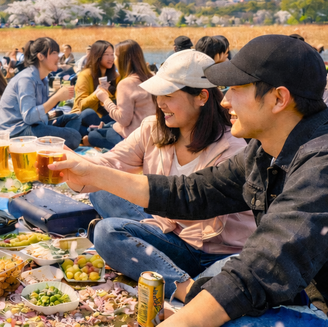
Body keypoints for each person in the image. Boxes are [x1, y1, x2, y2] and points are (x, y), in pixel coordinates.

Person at [49, 35, 328, 327]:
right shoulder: (266, 150)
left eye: (236, 88)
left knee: (224, 313)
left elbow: (261, 269)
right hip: (319, 297)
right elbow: (191, 192)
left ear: (278, 99)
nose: (224, 101)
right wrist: (93, 173)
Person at [83, 49, 253, 303]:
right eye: (158, 95)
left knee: (107, 232)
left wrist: (147, 224)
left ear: (202, 97)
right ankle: (148, 251)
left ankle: (184, 287)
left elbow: (199, 212)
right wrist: (77, 164)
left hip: (211, 249)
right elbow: (112, 162)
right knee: (100, 185)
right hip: (168, 229)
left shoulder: (233, 149)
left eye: (169, 96)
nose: (160, 103)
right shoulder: (154, 127)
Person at [0, 37, 82, 149]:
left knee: (74, 118)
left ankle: (56, 145)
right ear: (41, 56)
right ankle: (58, 145)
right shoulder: (26, 79)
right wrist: (56, 98)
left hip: (32, 125)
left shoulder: (43, 79)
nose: (58, 57)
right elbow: (29, 117)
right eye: (54, 53)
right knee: (74, 137)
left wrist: (50, 117)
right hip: (14, 132)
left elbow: (38, 114)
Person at [85, 40, 155, 149]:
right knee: (105, 127)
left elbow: (124, 120)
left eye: (115, 56)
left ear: (124, 59)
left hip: (134, 139)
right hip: (152, 133)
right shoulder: (151, 76)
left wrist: (105, 99)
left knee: (93, 135)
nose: (113, 59)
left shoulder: (126, 83)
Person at [71, 40, 117, 133]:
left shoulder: (115, 76)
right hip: (84, 117)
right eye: (106, 54)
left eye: (112, 54)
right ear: (97, 56)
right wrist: (97, 93)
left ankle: (99, 132)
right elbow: (81, 106)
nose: (110, 58)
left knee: (118, 115)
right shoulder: (85, 75)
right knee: (89, 114)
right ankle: (103, 132)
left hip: (103, 117)